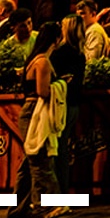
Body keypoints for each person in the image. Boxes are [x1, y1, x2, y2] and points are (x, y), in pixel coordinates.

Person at [8, 23, 65, 218]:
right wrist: (61, 85)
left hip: (30, 110)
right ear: (56, 39)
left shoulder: (34, 60)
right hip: (36, 111)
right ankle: (46, 206)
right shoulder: (43, 62)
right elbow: (43, 91)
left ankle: (18, 208)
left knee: (30, 161)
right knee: (40, 159)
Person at [48, 16, 85, 206]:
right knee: (62, 147)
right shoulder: (79, 53)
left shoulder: (60, 53)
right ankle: (61, 191)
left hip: (60, 104)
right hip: (74, 104)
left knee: (57, 149)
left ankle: (58, 194)